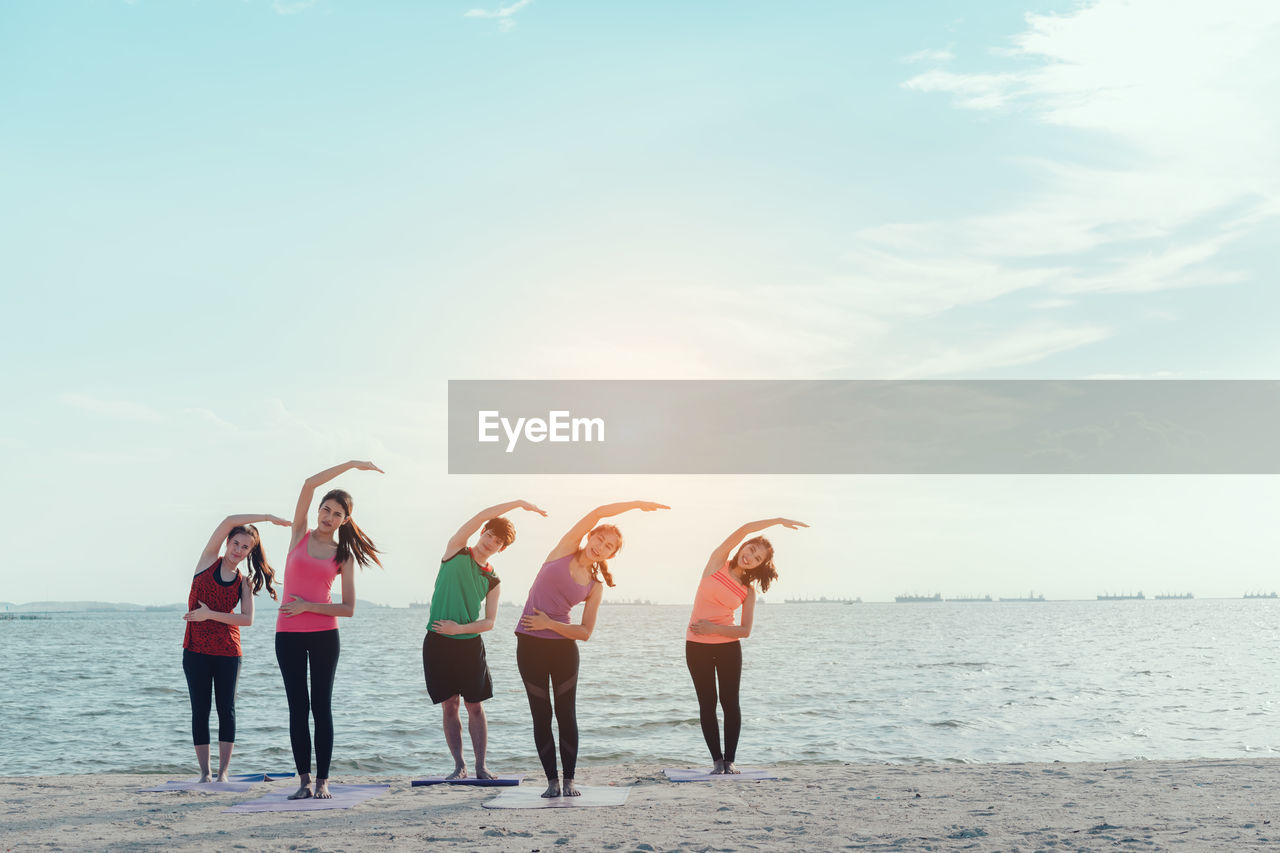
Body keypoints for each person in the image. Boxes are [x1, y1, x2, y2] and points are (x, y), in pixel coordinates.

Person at [516, 500, 669, 797]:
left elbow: (585, 632)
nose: (601, 546)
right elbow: (598, 512)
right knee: (541, 714)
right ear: (590, 537)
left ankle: (570, 780)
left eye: (609, 546)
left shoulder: (594, 587)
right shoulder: (562, 550)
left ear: (611, 555)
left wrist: (550, 623)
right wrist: (636, 504)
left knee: (566, 713)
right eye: (600, 538)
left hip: (563, 650)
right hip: (529, 644)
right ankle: (551, 782)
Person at [275, 460, 383, 800]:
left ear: (345, 520)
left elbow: (348, 608)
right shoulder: (298, 535)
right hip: (287, 635)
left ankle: (323, 781)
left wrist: (308, 606)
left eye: (337, 514)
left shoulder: (343, 555)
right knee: (297, 707)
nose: (328, 517)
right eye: (326, 509)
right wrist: (351, 464)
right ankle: (304, 780)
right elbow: (307, 483)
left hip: (324, 636)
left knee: (321, 706)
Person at [425, 499, 547, 780]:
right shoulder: (455, 550)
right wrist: (518, 504)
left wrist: (459, 629)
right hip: (437, 642)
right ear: (482, 533)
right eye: (489, 534)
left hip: (468, 645)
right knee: (450, 705)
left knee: (474, 706)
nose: (490, 541)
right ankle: (459, 766)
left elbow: (490, 622)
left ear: (502, 549)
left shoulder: (493, 580)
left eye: (497, 541)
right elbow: (481, 514)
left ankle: (480, 766)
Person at [686, 518, 807, 774]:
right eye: (750, 549)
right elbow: (743, 529)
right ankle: (716, 762)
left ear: (760, 565)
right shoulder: (716, 563)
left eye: (758, 557)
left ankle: (730, 761)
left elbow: (745, 631)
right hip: (696, 646)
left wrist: (714, 629)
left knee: (730, 703)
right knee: (707, 703)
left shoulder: (748, 591)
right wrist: (777, 521)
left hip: (728, 647)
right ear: (742, 548)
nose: (750, 556)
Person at [182, 513, 288, 782]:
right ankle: (205, 773)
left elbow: (247, 620)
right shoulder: (206, 561)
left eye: (245, 547)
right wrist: (266, 518)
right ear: (227, 542)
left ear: (249, 552)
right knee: (200, 709)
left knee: (226, 709)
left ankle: (223, 773)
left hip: (229, 651)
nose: (238, 551)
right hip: (195, 649)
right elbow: (229, 519)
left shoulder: (244, 581)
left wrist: (210, 614)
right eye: (236, 543)